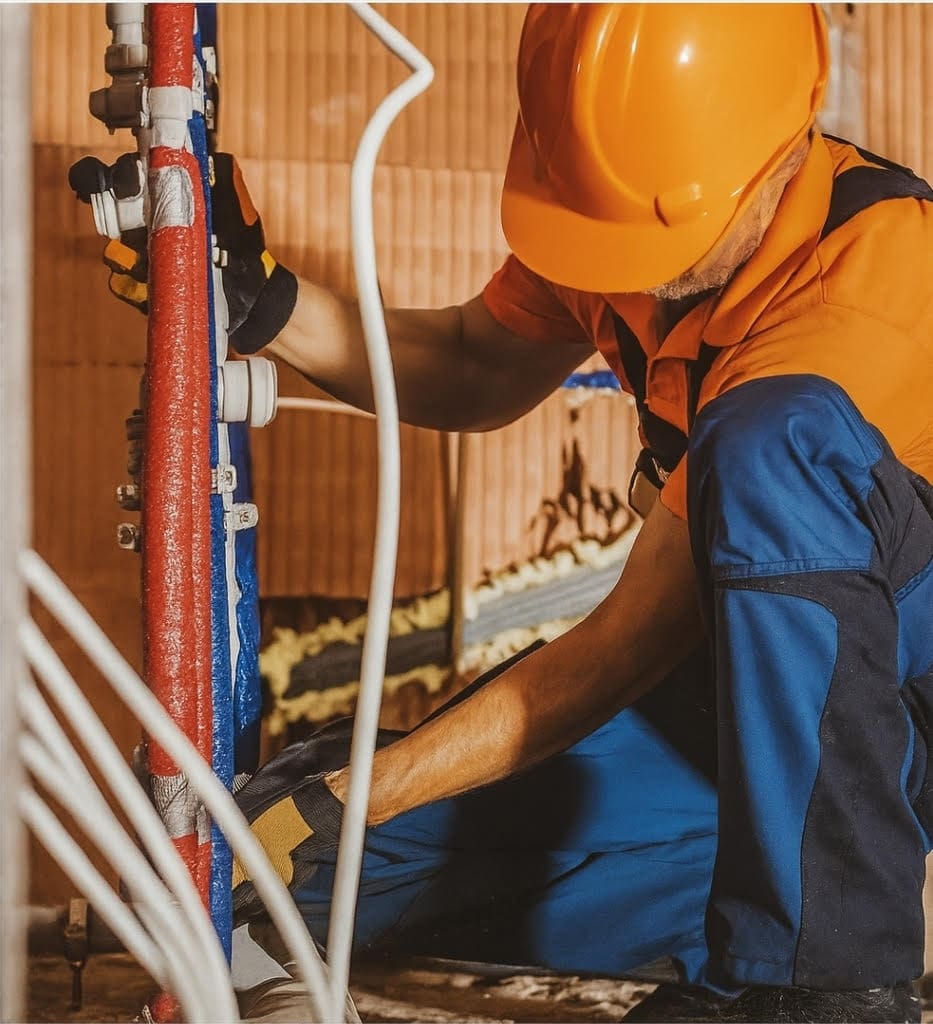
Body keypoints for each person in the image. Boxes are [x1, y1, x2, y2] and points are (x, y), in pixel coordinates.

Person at [95, 5, 933, 1021]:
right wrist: (263, 304)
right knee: (315, 872)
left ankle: (817, 981)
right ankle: (766, 894)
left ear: (781, 147)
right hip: (747, 705)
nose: (621, 270)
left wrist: (368, 787)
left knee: (769, 441)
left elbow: (623, 644)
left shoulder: (871, 292)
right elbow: (476, 360)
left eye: (652, 241)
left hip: (889, 709)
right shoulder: (620, 207)